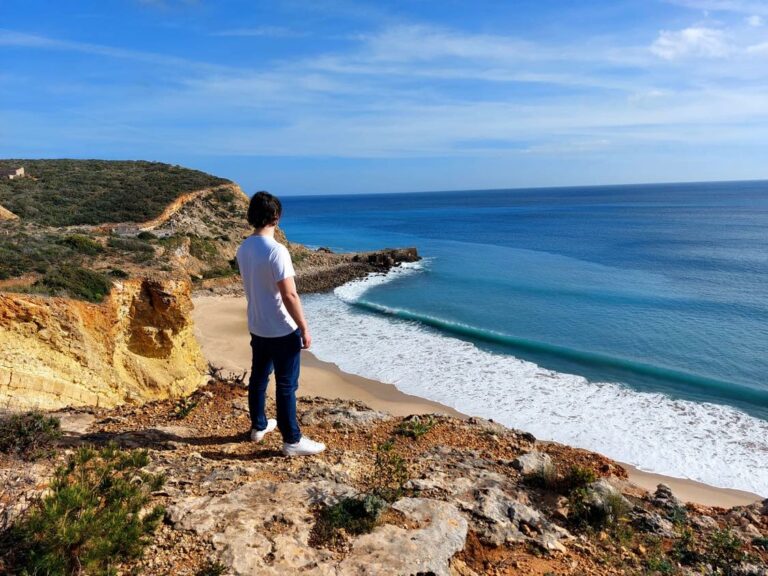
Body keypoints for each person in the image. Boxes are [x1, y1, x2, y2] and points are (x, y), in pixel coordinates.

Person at [235, 191, 326, 457]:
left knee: (259, 378)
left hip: (257, 324)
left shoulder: (244, 248)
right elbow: (289, 295)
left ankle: (258, 426)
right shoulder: (277, 251)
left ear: (252, 217)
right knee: (286, 385)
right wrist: (304, 328)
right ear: (277, 217)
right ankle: (292, 440)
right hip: (281, 328)